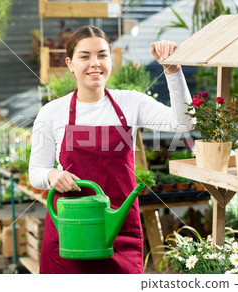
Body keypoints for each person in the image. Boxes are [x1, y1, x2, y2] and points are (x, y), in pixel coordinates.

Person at [29, 26, 195, 274]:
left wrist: (172, 71)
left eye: (102, 55)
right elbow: (36, 173)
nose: (95, 63)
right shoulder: (52, 112)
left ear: (111, 60)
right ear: (70, 64)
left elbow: (185, 122)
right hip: (71, 231)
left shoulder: (131, 102)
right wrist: (52, 175)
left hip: (118, 228)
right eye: (84, 56)